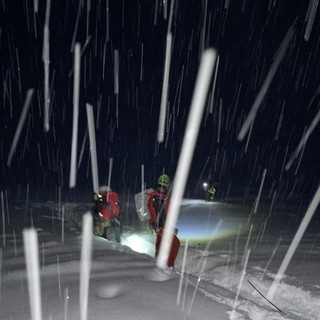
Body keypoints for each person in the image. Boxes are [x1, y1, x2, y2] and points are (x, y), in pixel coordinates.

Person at [147, 174, 180, 268]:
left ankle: (165, 264)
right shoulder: (156, 197)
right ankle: (163, 264)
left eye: (164, 187)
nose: (162, 189)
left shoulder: (164, 197)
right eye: (160, 186)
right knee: (168, 243)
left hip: (163, 225)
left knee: (170, 243)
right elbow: (157, 212)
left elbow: (167, 213)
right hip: (161, 225)